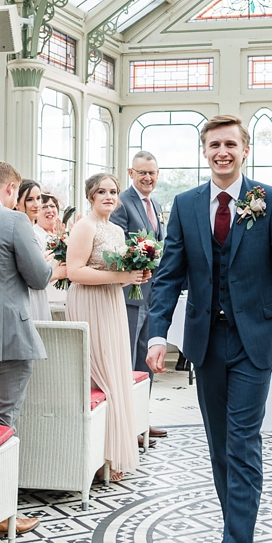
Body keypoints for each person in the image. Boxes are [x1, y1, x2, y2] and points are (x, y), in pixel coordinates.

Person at [146, 114, 272, 543]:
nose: (223, 152)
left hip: (256, 341)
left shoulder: (270, 200)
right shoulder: (186, 204)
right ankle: (232, 530)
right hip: (205, 342)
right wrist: (157, 334)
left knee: (242, 443)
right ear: (204, 151)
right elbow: (168, 273)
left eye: (230, 145)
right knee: (218, 447)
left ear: (245, 149)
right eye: (214, 144)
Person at [0, 163, 66, 539]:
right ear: (11, 188)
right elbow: (38, 277)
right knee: (0, 424)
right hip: (6, 336)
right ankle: (0, 513)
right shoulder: (13, 221)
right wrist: (51, 264)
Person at [61, 173, 148, 481]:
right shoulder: (85, 226)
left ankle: (110, 453)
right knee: (99, 373)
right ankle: (95, 460)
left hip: (112, 303)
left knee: (115, 371)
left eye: (113, 191)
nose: (109, 196)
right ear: (90, 196)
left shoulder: (117, 230)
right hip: (89, 302)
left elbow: (118, 271)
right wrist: (119, 279)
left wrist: (135, 275)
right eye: (102, 191)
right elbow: (75, 272)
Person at [110, 152, 168, 443]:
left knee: (148, 354)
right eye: (142, 173)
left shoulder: (155, 204)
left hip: (153, 294)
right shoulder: (122, 203)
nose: (148, 178)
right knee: (130, 356)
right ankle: (129, 424)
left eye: (152, 173)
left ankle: (143, 418)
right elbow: (119, 247)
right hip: (129, 294)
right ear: (131, 172)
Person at [13, 179, 52, 322]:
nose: (36, 204)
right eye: (30, 200)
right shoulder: (19, 232)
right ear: (17, 203)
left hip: (40, 295)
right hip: (27, 296)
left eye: (38, 199)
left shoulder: (36, 232)